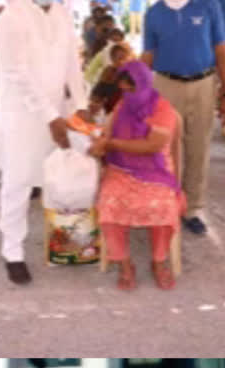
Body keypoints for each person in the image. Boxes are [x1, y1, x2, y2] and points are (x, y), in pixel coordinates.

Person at [0, 0, 87, 284]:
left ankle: (66, 241)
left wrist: (80, 104)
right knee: (18, 183)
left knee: (62, 176)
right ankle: (12, 250)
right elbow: (16, 74)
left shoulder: (61, 13)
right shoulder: (10, 19)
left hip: (56, 112)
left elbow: (72, 62)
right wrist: (49, 115)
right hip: (20, 116)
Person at [142, 0, 225, 235]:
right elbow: (147, 54)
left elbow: (221, 49)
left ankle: (192, 208)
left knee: (198, 147)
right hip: (166, 85)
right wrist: (135, 93)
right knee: (166, 148)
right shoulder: (154, 13)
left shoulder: (207, 5)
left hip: (204, 84)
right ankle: (168, 202)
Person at [90, 61, 186, 290]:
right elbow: (106, 134)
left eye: (131, 89)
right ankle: (124, 264)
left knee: (163, 205)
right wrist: (98, 144)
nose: (127, 94)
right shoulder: (121, 107)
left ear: (144, 84)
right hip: (121, 169)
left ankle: (159, 261)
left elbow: (153, 145)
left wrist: (111, 144)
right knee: (109, 202)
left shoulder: (163, 110)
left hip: (156, 172)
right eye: (123, 89)